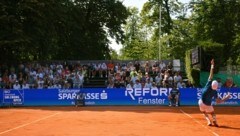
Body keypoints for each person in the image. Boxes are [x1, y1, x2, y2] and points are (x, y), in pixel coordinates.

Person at [198, 59, 231, 127]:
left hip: (201, 102)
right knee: (212, 113)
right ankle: (214, 121)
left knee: (203, 112)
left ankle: (208, 121)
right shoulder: (215, 92)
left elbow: (211, 74)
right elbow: (219, 101)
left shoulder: (208, 85)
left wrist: (212, 65)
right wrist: (226, 97)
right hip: (208, 105)